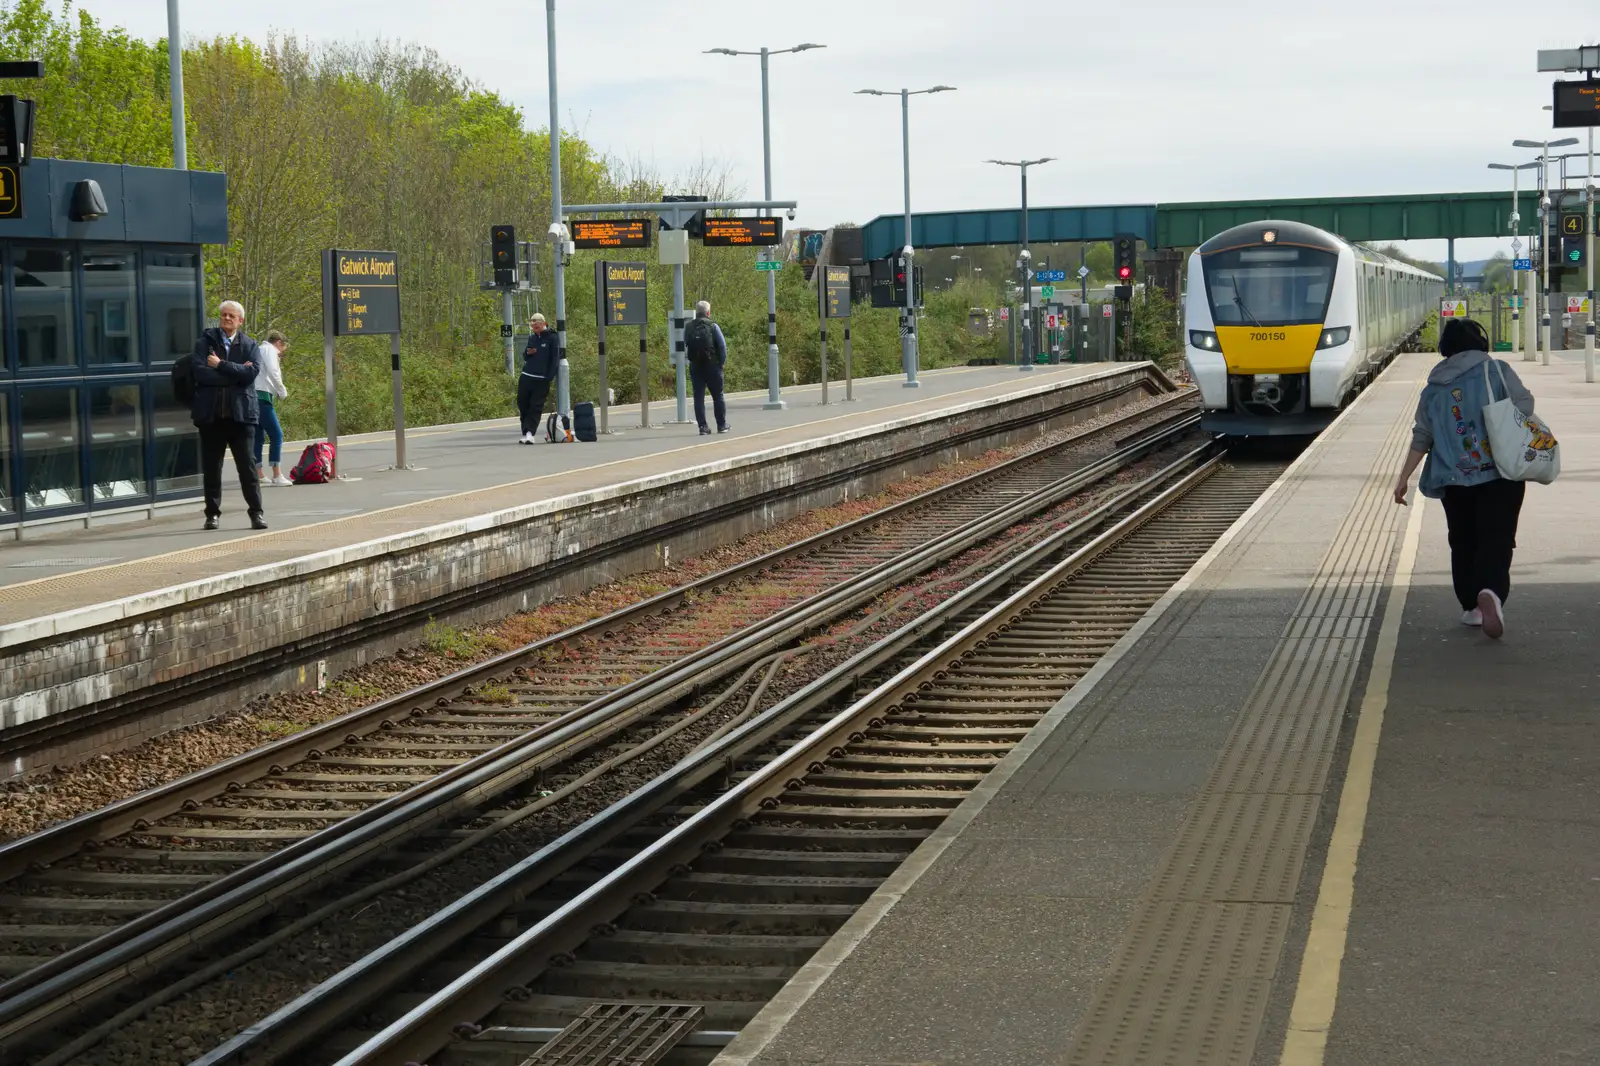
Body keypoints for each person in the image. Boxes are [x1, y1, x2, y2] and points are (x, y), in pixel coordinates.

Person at [1391, 317, 1535, 639]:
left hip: (1454, 478)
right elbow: (1525, 405)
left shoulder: (1434, 387)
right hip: (1500, 471)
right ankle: (1492, 592)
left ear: (1446, 348)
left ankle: (1471, 606)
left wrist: (1403, 478)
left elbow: (1422, 435)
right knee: (1497, 537)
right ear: (1481, 343)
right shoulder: (1496, 370)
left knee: (1463, 539)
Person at [189, 300, 266, 530]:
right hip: (211, 416)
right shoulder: (204, 343)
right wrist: (236, 373)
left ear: (240, 320)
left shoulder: (250, 344)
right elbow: (200, 374)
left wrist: (220, 364)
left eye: (232, 316)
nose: (227, 319)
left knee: (248, 468)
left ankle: (256, 513)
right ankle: (212, 514)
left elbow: (251, 374)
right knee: (212, 469)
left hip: (242, 417)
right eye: (224, 315)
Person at [684, 299, 728, 435]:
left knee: (698, 398)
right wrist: (722, 362)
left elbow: (685, 344)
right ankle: (721, 425)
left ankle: (703, 427)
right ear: (708, 312)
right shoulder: (713, 326)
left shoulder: (688, 327)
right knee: (718, 396)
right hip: (713, 366)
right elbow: (722, 346)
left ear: (697, 312)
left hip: (696, 367)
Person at [254, 330, 290, 485]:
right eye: (283, 348)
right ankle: (277, 474)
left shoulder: (259, 349)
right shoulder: (270, 350)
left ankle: (258, 473)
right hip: (262, 396)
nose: (281, 353)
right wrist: (282, 391)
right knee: (276, 434)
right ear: (279, 343)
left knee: (258, 436)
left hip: (253, 395)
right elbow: (273, 371)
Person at [519, 313, 558, 443]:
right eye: (532, 325)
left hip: (541, 379)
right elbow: (525, 356)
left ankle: (530, 433)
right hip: (526, 376)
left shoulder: (552, 337)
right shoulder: (532, 338)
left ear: (543, 323)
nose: (534, 328)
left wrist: (549, 377)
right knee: (523, 404)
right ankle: (526, 432)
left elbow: (555, 359)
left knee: (535, 406)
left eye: (536, 325)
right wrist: (528, 353)